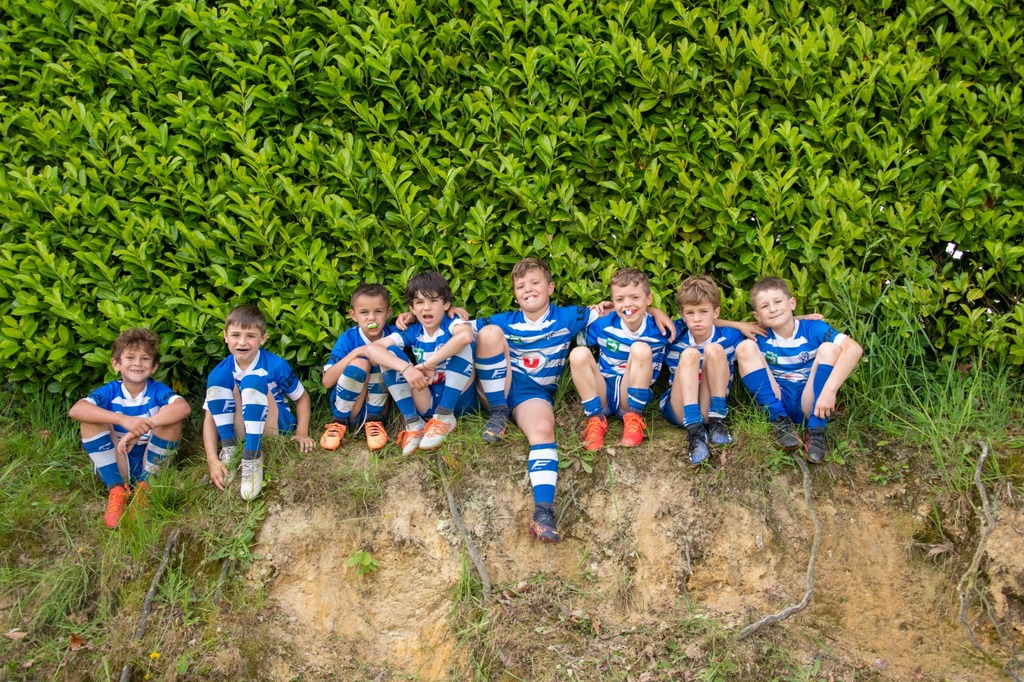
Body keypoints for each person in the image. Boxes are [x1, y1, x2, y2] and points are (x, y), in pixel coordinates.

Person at [473, 258, 673, 542]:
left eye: (535, 282)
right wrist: (433, 316)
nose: (528, 289)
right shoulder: (504, 320)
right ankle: (497, 413)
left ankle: (543, 513)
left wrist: (654, 310)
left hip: (532, 395)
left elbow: (623, 309)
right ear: (515, 294)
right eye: (521, 286)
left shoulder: (569, 317)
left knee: (543, 429)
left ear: (550, 288)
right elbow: (458, 328)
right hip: (493, 388)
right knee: (489, 334)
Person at [69, 328, 191, 527]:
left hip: (149, 459)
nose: (137, 363)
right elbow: (76, 410)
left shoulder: (157, 390)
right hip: (118, 460)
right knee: (89, 419)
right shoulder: (111, 391)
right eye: (130, 357)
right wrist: (123, 420)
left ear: (154, 366)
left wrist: (142, 427)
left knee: (171, 420)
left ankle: (145, 489)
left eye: (145, 358)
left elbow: (182, 407)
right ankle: (116, 490)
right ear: (116, 364)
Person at [735, 277, 863, 463]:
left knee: (830, 349)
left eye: (778, 301)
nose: (773, 309)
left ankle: (817, 429)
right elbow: (709, 324)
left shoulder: (814, 328)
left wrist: (829, 391)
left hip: (810, 402)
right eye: (765, 306)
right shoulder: (758, 335)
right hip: (777, 400)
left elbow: (854, 349)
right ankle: (779, 422)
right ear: (757, 316)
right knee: (744, 348)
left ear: (792, 303)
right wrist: (739, 325)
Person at [203, 305, 313, 499]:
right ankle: (230, 449)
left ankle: (253, 457)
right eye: (235, 335)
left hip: (274, 426)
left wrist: (302, 432)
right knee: (218, 377)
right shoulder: (223, 369)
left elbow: (302, 398)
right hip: (240, 429)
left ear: (263, 338)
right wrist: (212, 459)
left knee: (252, 381)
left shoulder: (276, 364)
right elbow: (210, 417)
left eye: (251, 336)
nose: (242, 342)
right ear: (225, 336)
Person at [364, 272, 477, 456]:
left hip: (460, 400)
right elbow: (372, 349)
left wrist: (429, 364)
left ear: (446, 304)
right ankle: (414, 424)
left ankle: (446, 416)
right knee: (389, 355)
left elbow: (465, 336)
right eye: (419, 302)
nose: (426, 308)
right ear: (412, 308)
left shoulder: (452, 323)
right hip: (428, 401)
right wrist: (407, 369)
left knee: (462, 343)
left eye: (433, 301)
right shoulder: (413, 331)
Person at [569, 268, 670, 450]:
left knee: (640, 349)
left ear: (648, 299)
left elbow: (702, 325)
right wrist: (591, 312)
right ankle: (595, 418)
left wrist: (656, 312)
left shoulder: (661, 330)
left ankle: (634, 416)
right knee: (578, 353)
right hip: (602, 391)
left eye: (635, 297)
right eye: (620, 299)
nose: (627, 304)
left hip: (629, 395)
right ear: (613, 302)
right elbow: (565, 329)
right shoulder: (603, 324)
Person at [661, 276, 749, 465]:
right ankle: (695, 431)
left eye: (703, 312)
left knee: (715, 350)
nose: (697, 319)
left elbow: (771, 325)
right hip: (681, 409)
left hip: (708, 407)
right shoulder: (673, 335)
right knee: (690, 354)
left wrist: (803, 318)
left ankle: (717, 421)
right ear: (682, 315)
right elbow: (639, 318)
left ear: (716, 312)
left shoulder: (730, 337)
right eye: (690, 313)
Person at [319, 283, 394, 452]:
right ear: (353, 315)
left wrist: (409, 316)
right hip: (350, 408)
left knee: (382, 357)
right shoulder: (347, 339)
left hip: (379, 408)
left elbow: (421, 325)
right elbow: (327, 381)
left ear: (388, 312)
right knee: (360, 362)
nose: (371, 318)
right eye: (364, 312)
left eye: (378, 311)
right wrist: (356, 352)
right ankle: (338, 423)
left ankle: (374, 422)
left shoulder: (394, 335)